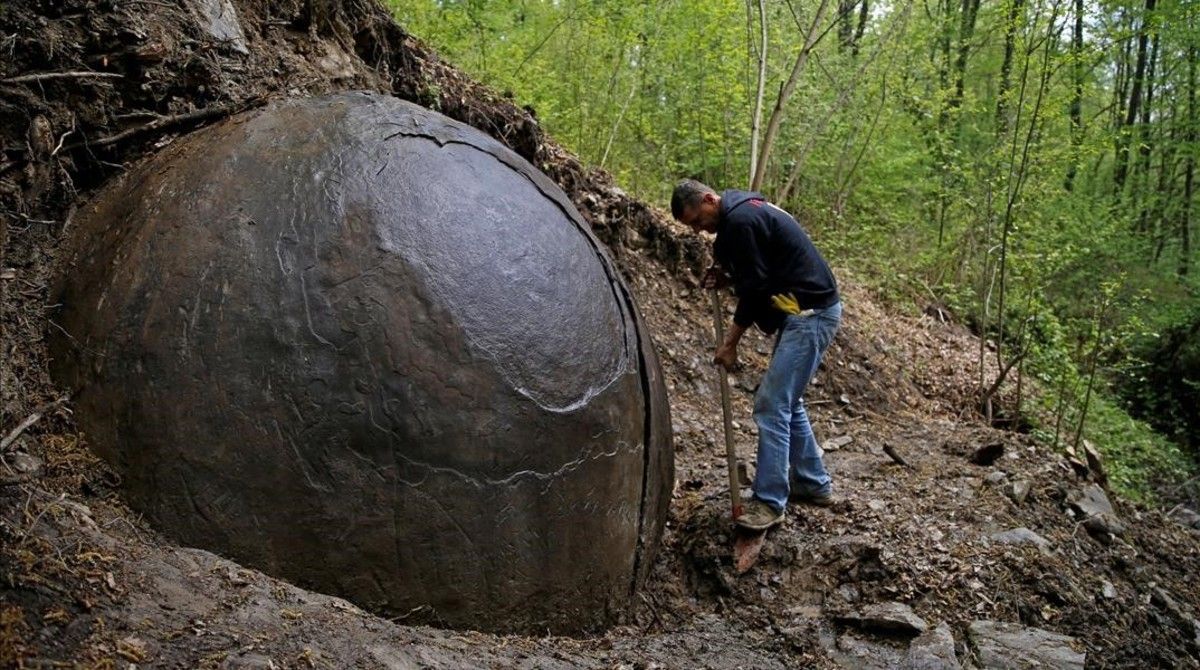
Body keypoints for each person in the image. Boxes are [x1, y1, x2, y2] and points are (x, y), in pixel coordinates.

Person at [670, 179, 842, 531]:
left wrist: (731, 342)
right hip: (805, 311)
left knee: (771, 403)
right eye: (692, 227)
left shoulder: (742, 221)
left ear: (708, 199)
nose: (700, 230)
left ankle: (769, 502)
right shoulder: (743, 214)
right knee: (787, 402)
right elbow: (758, 268)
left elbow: (756, 288)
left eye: (697, 221)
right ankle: (812, 483)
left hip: (811, 314)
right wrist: (727, 274)